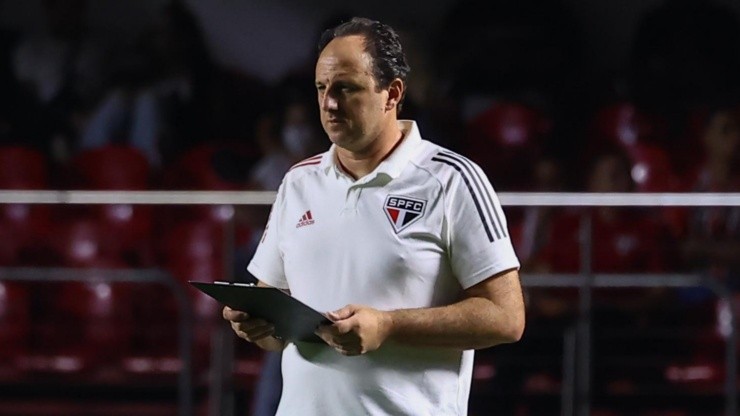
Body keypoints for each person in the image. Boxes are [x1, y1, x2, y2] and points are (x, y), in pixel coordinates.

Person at [222, 17, 525, 415]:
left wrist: (389, 325)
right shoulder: (298, 182)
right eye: (321, 88)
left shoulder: (453, 180)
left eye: (346, 88)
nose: (329, 103)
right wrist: (258, 325)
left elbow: (506, 318)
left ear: (392, 93)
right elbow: (275, 328)